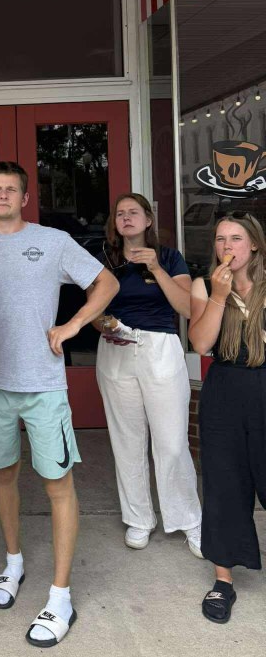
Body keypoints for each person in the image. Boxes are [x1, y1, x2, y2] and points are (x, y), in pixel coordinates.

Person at [0, 161, 118, 647]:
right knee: (2, 475)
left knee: (57, 484)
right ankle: (13, 564)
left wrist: (73, 325)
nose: (3, 195)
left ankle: (61, 595)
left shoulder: (53, 241)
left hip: (45, 384)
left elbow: (107, 283)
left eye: (12, 189)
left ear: (25, 198)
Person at [94, 193, 201, 555]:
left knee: (172, 441)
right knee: (127, 441)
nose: (126, 218)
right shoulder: (105, 260)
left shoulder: (168, 257)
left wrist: (156, 268)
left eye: (133, 212)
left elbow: (187, 308)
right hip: (116, 350)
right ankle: (139, 518)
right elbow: (94, 311)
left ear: (148, 219)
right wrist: (105, 326)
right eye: (120, 213)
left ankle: (188, 518)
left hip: (160, 348)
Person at [189, 211, 266, 624]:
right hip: (224, 392)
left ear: (253, 243)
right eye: (220, 239)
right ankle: (223, 581)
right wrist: (219, 296)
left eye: (236, 238)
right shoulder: (204, 286)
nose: (227, 246)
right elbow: (202, 343)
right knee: (223, 485)